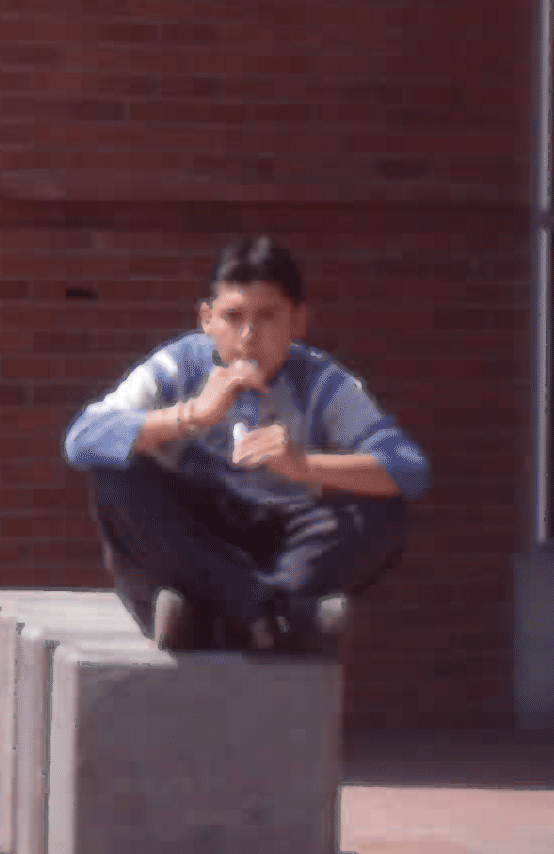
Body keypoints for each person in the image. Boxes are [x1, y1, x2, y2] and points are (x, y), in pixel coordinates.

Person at [61, 236, 428, 653]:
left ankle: (225, 616)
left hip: (281, 544)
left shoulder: (322, 382)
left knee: (383, 510)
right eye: (233, 317)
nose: (249, 336)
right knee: (116, 473)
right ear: (206, 319)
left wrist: (302, 466)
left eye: (268, 317)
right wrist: (191, 415)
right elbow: (81, 439)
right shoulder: (179, 365)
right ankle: (271, 617)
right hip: (198, 542)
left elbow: (408, 470)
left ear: (298, 321)